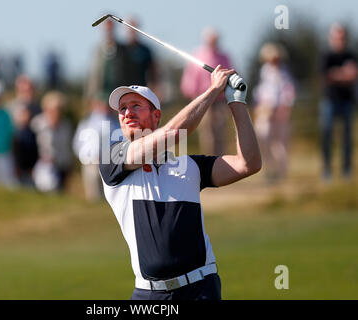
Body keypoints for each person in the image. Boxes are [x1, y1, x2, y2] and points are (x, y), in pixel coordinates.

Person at [99, 67, 261, 300]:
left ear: (156, 116)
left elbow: (249, 163)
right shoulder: (113, 160)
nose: (127, 113)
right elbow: (174, 133)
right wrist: (213, 89)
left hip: (201, 288)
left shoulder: (190, 166)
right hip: (149, 295)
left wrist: (235, 101)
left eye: (136, 106)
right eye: (122, 108)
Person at [180, 28, 232, 155]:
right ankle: (210, 159)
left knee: (220, 132)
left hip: (220, 100)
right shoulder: (198, 55)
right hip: (203, 99)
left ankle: (220, 159)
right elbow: (190, 77)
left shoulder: (224, 56)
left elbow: (230, 75)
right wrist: (192, 93)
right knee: (207, 133)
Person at [253, 43, 296, 183]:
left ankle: (281, 171)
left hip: (280, 111)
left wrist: (284, 108)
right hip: (265, 111)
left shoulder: (284, 73)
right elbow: (260, 92)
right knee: (264, 139)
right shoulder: (264, 71)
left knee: (280, 143)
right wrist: (259, 107)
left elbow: (289, 92)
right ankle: (268, 170)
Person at [320, 23, 357, 181]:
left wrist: (336, 74)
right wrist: (344, 74)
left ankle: (346, 170)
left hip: (347, 101)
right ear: (332, 38)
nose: (339, 40)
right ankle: (327, 169)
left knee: (347, 138)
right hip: (329, 101)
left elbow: (353, 75)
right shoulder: (326, 56)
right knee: (327, 135)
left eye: (342, 37)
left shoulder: (351, 55)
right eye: (337, 37)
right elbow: (324, 76)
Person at [73, 96, 121, 201]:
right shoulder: (86, 123)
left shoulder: (116, 123)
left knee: (110, 196)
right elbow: (78, 144)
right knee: (93, 196)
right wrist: (88, 158)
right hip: (91, 164)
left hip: (111, 164)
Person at [31, 91, 73, 192]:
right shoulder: (37, 123)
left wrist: (68, 167)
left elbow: (67, 147)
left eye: (59, 109)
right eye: (53, 109)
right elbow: (30, 146)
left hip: (62, 166)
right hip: (42, 166)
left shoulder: (66, 126)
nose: (56, 112)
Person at [86, 18, 129, 102]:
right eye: (106, 28)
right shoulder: (97, 49)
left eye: (110, 28)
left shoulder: (123, 49)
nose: (108, 31)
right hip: (100, 95)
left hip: (118, 94)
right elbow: (93, 75)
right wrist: (90, 95)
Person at [124, 18, 157, 88]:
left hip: (142, 87)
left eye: (134, 28)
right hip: (125, 88)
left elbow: (152, 70)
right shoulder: (122, 49)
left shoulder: (145, 49)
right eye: (130, 28)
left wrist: (153, 86)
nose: (132, 31)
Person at [12, 104, 39, 187]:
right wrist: (16, 166)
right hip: (16, 168)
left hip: (29, 169)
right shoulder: (15, 132)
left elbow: (35, 152)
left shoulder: (32, 133)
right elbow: (14, 152)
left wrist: (32, 167)